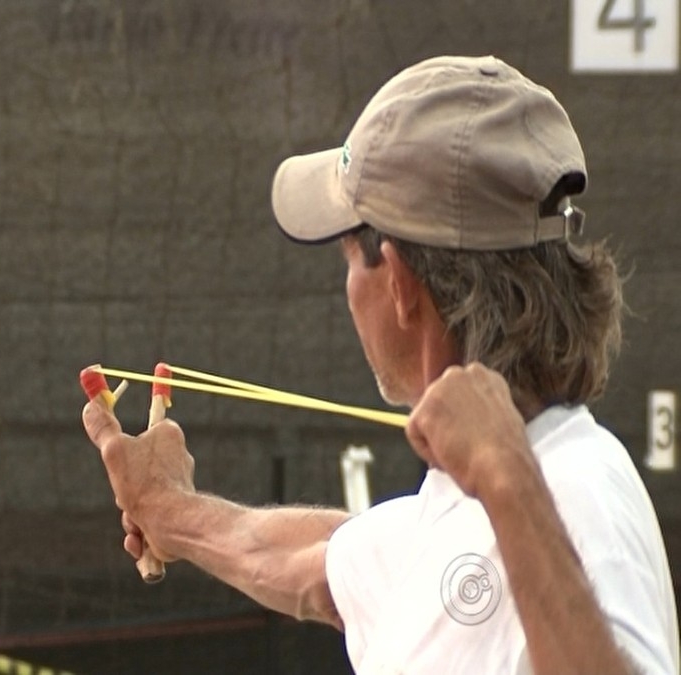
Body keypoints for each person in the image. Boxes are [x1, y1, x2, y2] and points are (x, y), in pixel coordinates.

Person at [80, 55, 679, 674]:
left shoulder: (571, 496)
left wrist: (508, 481)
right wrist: (162, 507)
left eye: (347, 255)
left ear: (395, 280)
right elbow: (309, 562)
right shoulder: (473, 504)